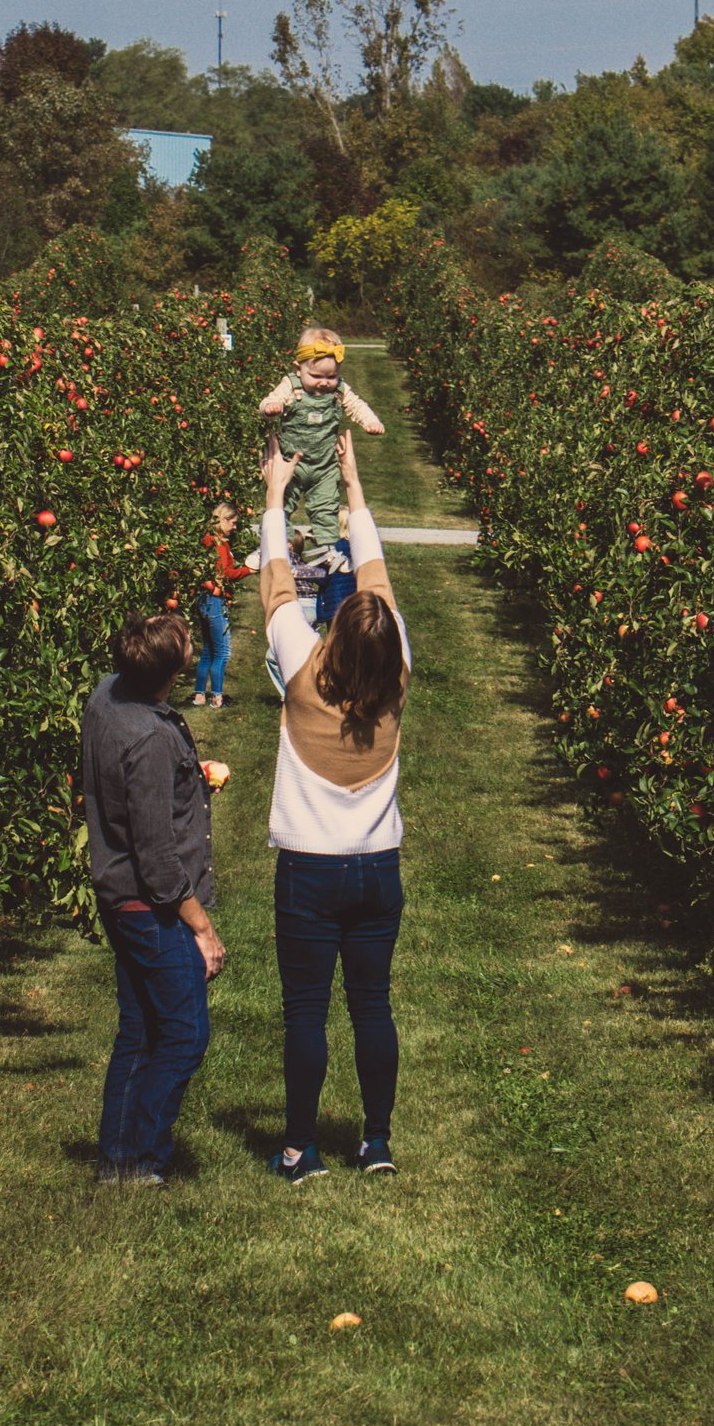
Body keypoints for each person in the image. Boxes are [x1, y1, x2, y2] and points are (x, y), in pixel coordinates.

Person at [256, 420, 410, 1184]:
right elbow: (377, 578)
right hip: (378, 870)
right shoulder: (398, 674)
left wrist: (275, 493)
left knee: (306, 1013)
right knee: (372, 1008)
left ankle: (299, 1147)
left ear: (334, 635)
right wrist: (354, 487)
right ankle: (376, 1141)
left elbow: (278, 578)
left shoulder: (299, 664)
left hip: (310, 874)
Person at [78, 605, 225, 1183]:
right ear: (172, 673)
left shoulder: (106, 696)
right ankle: (143, 1155)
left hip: (116, 893)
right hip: (150, 907)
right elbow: (159, 862)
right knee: (185, 1033)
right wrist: (202, 929)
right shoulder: (149, 741)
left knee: (138, 1028)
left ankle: (115, 1158)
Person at [258, 328, 385, 579]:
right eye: (315, 376)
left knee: (326, 508)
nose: (324, 382)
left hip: (324, 465)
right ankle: (276, 544)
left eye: (332, 376)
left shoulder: (338, 392)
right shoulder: (291, 388)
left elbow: (356, 405)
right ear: (299, 368)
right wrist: (270, 408)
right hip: (291, 463)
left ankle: (327, 549)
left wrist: (370, 422)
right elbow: (270, 400)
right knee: (281, 503)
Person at [192, 499, 240, 713]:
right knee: (222, 651)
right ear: (223, 519)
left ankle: (200, 695)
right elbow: (225, 574)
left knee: (208, 651)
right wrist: (248, 570)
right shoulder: (219, 544)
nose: (235, 527)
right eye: (233, 522)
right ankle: (217, 698)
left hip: (203, 599)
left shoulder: (207, 540)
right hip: (214, 601)